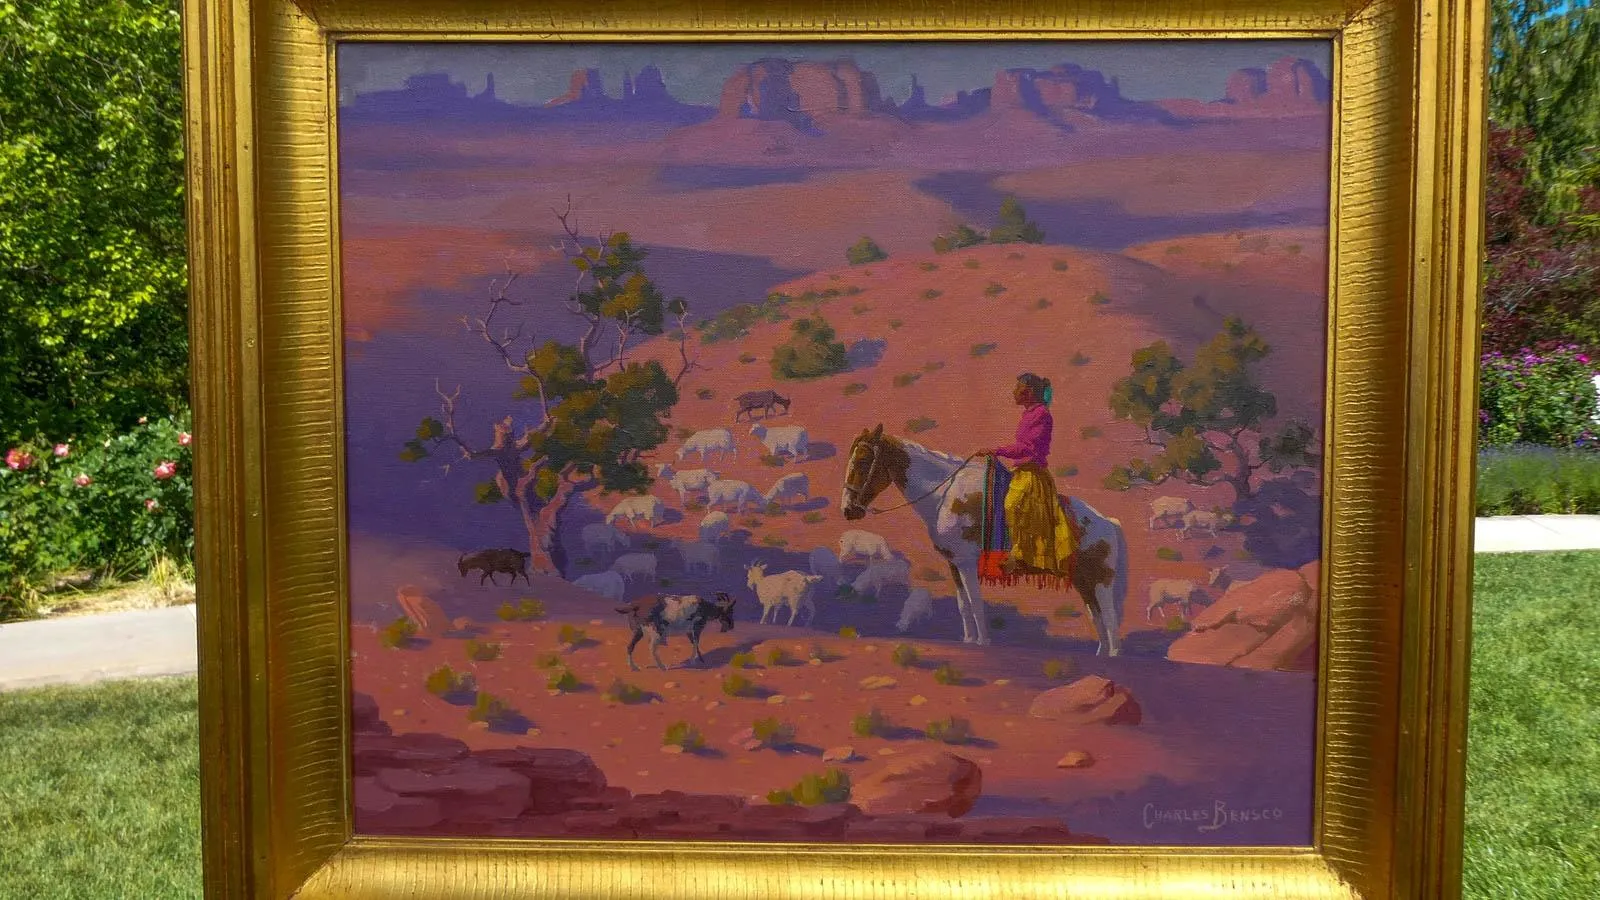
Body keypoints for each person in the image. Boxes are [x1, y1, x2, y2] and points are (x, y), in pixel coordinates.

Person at [986, 373, 1075, 578]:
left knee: (1013, 504)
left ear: (1029, 392)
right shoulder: (1028, 414)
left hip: (1033, 474)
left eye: (1018, 388)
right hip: (1021, 472)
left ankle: (1021, 557)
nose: (1014, 392)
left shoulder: (1041, 414)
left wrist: (997, 450)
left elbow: (1027, 448)